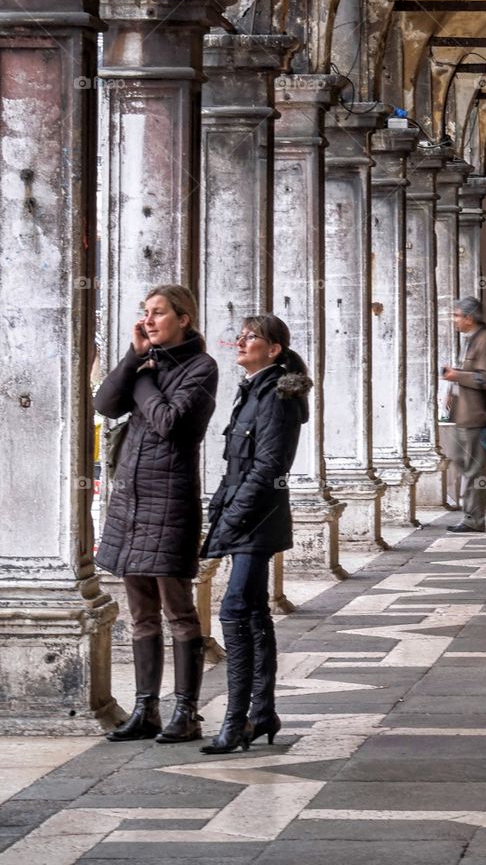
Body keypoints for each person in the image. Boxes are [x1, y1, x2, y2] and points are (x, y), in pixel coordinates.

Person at [95, 285, 219, 743]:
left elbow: (168, 423)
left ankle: (185, 712)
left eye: (158, 313)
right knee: (141, 612)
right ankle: (146, 709)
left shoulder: (201, 368)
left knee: (178, 610)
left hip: (169, 501)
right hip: (131, 503)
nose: (149, 319)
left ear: (183, 318)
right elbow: (104, 404)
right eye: (145, 313)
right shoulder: (146, 361)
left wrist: (144, 378)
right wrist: (133, 356)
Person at [199, 314, 311, 753]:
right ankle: (262, 712)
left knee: (233, 610)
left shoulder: (277, 397)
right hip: (246, 518)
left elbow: (268, 468)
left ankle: (235, 720)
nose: (240, 342)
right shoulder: (253, 392)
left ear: (273, 349)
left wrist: (231, 519)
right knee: (252, 612)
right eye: (241, 336)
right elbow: (235, 466)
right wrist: (217, 510)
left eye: (251, 338)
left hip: (257, 521)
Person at [442, 297, 486, 532]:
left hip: (479, 415)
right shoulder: (472, 340)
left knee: (473, 469)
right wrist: (453, 389)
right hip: (465, 413)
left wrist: (456, 376)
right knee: (460, 460)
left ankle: (474, 519)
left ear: (469, 317)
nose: (454, 320)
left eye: (457, 316)